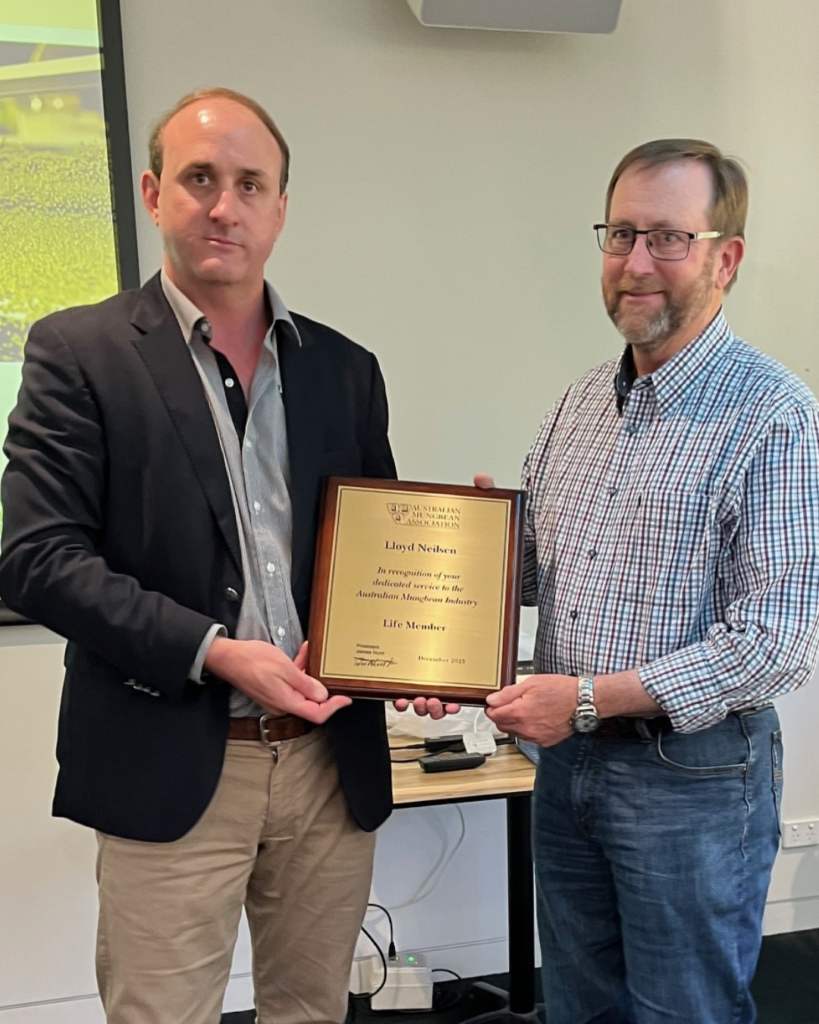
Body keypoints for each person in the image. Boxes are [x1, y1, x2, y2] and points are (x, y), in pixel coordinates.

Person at [0, 87, 441, 1024]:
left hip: (327, 764)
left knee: (312, 1012)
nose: (224, 206)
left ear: (280, 207)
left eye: (250, 184)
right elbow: (36, 557)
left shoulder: (344, 369)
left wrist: (427, 642)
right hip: (169, 759)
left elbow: (377, 559)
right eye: (199, 178)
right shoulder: (79, 353)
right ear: (153, 193)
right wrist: (212, 650)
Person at [484, 140, 819, 1024]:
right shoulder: (577, 404)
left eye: (667, 238)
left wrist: (587, 699)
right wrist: (470, 553)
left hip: (692, 779)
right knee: (578, 1006)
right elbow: (534, 572)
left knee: (684, 1012)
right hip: (565, 768)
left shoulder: (774, 416)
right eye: (620, 234)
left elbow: (775, 642)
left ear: (724, 259)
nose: (635, 263)